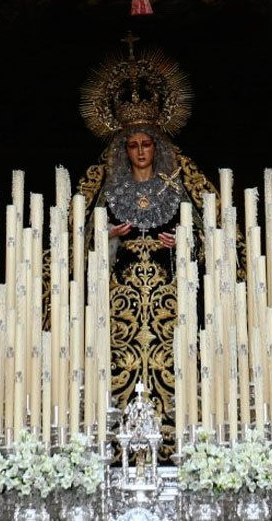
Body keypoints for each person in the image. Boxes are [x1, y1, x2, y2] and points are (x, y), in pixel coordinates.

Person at [77, 44, 221, 460]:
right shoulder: (111, 189)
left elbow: (209, 236)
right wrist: (109, 236)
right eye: (133, 144)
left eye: (146, 144)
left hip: (169, 292)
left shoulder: (176, 187)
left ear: (156, 146)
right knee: (115, 356)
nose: (140, 150)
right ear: (125, 149)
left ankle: (178, 437)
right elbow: (84, 241)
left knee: (175, 356)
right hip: (120, 293)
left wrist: (185, 243)